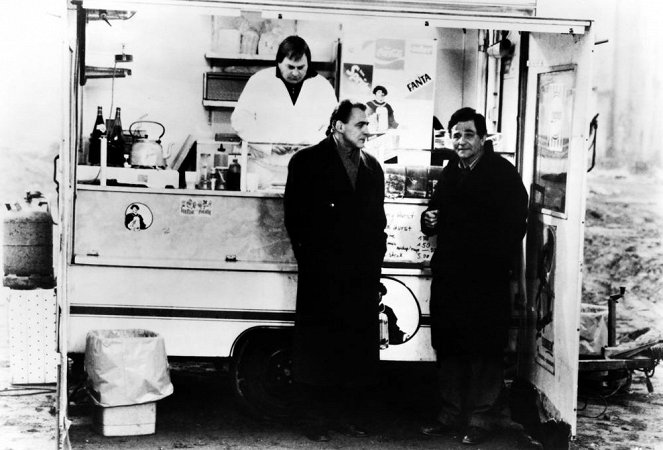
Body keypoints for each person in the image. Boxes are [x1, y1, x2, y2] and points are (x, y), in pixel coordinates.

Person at [420, 107, 528, 445]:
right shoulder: (453, 170)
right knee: (450, 343)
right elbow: (433, 211)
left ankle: (482, 419)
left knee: (484, 346)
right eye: (456, 135)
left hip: (485, 276)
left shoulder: (502, 173)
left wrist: (488, 253)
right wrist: (429, 220)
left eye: (468, 134)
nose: (462, 141)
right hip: (451, 273)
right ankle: (451, 415)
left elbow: (516, 224)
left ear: (483, 138)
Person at [284, 100, 387, 442]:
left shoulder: (373, 168)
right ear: (339, 125)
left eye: (368, 125)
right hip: (322, 272)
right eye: (360, 124)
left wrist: (375, 264)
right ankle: (314, 419)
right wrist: (311, 261)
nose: (366, 131)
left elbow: (378, 223)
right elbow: (295, 218)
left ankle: (346, 417)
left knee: (354, 348)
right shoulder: (307, 162)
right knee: (318, 348)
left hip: (360, 273)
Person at [231, 35, 338, 145]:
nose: (295, 73)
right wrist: (267, 144)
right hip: (265, 160)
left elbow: (333, 126)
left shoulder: (322, 86)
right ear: (279, 62)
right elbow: (240, 120)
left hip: (308, 159)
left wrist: (308, 144)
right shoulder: (260, 81)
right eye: (290, 67)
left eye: (301, 67)